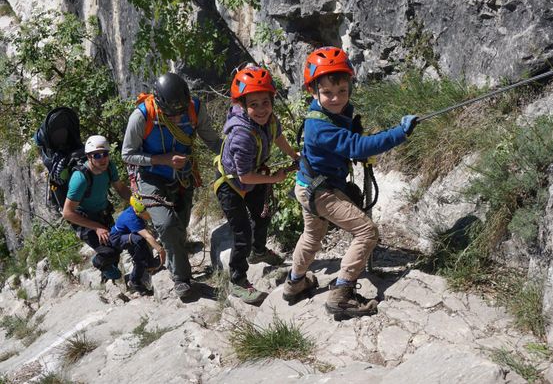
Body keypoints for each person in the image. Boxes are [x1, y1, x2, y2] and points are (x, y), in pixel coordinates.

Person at [283, 46, 418, 318]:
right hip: (321, 191)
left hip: (308, 186)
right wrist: (399, 134)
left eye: (342, 91)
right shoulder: (319, 126)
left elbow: (347, 137)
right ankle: (341, 295)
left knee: (312, 236)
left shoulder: (332, 113)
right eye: (328, 93)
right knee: (367, 232)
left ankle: (295, 283)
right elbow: (356, 146)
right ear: (313, 91)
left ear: (349, 87)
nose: (336, 98)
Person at [122, 72, 222, 298]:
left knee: (179, 225)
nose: (177, 118)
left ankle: (173, 251)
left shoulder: (194, 108)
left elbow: (212, 140)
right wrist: (162, 160)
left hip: (183, 175)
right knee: (167, 225)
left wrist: (233, 155)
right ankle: (181, 279)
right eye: (171, 113)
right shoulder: (142, 116)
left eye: (180, 112)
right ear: (159, 103)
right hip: (150, 177)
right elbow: (127, 154)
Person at [214, 66, 299, 304]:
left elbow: (278, 136)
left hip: (253, 175)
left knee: (263, 214)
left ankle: (259, 250)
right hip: (231, 184)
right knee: (242, 233)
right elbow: (245, 177)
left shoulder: (270, 120)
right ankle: (238, 280)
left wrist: (294, 156)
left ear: (272, 100)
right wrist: (274, 179)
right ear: (242, 105)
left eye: (265, 102)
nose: (261, 109)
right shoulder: (241, 134)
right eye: (254, 104)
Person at [63, 135, 131, 281]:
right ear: (89, 157)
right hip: (84, 220)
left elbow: (120, 188)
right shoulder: (80, 178)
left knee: (116, 244)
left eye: (105, 154)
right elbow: (67, 213)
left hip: (103, 213)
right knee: (108, 252)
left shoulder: (109, 167)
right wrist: (97, 227)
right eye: (97, 155)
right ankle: (99, 263)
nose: (102, 158)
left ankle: (107, 275)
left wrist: (137, 201)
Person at [109, 193, 165, 295]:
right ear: (138, 211)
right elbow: (147, 236)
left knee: (140, 260)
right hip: (117, 238)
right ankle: (149, 265)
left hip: (128, 236)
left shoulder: (136, 213)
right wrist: (161, 250)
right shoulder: (131, 218)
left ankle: (135, 282)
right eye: (146, 212)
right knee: (140, 239)